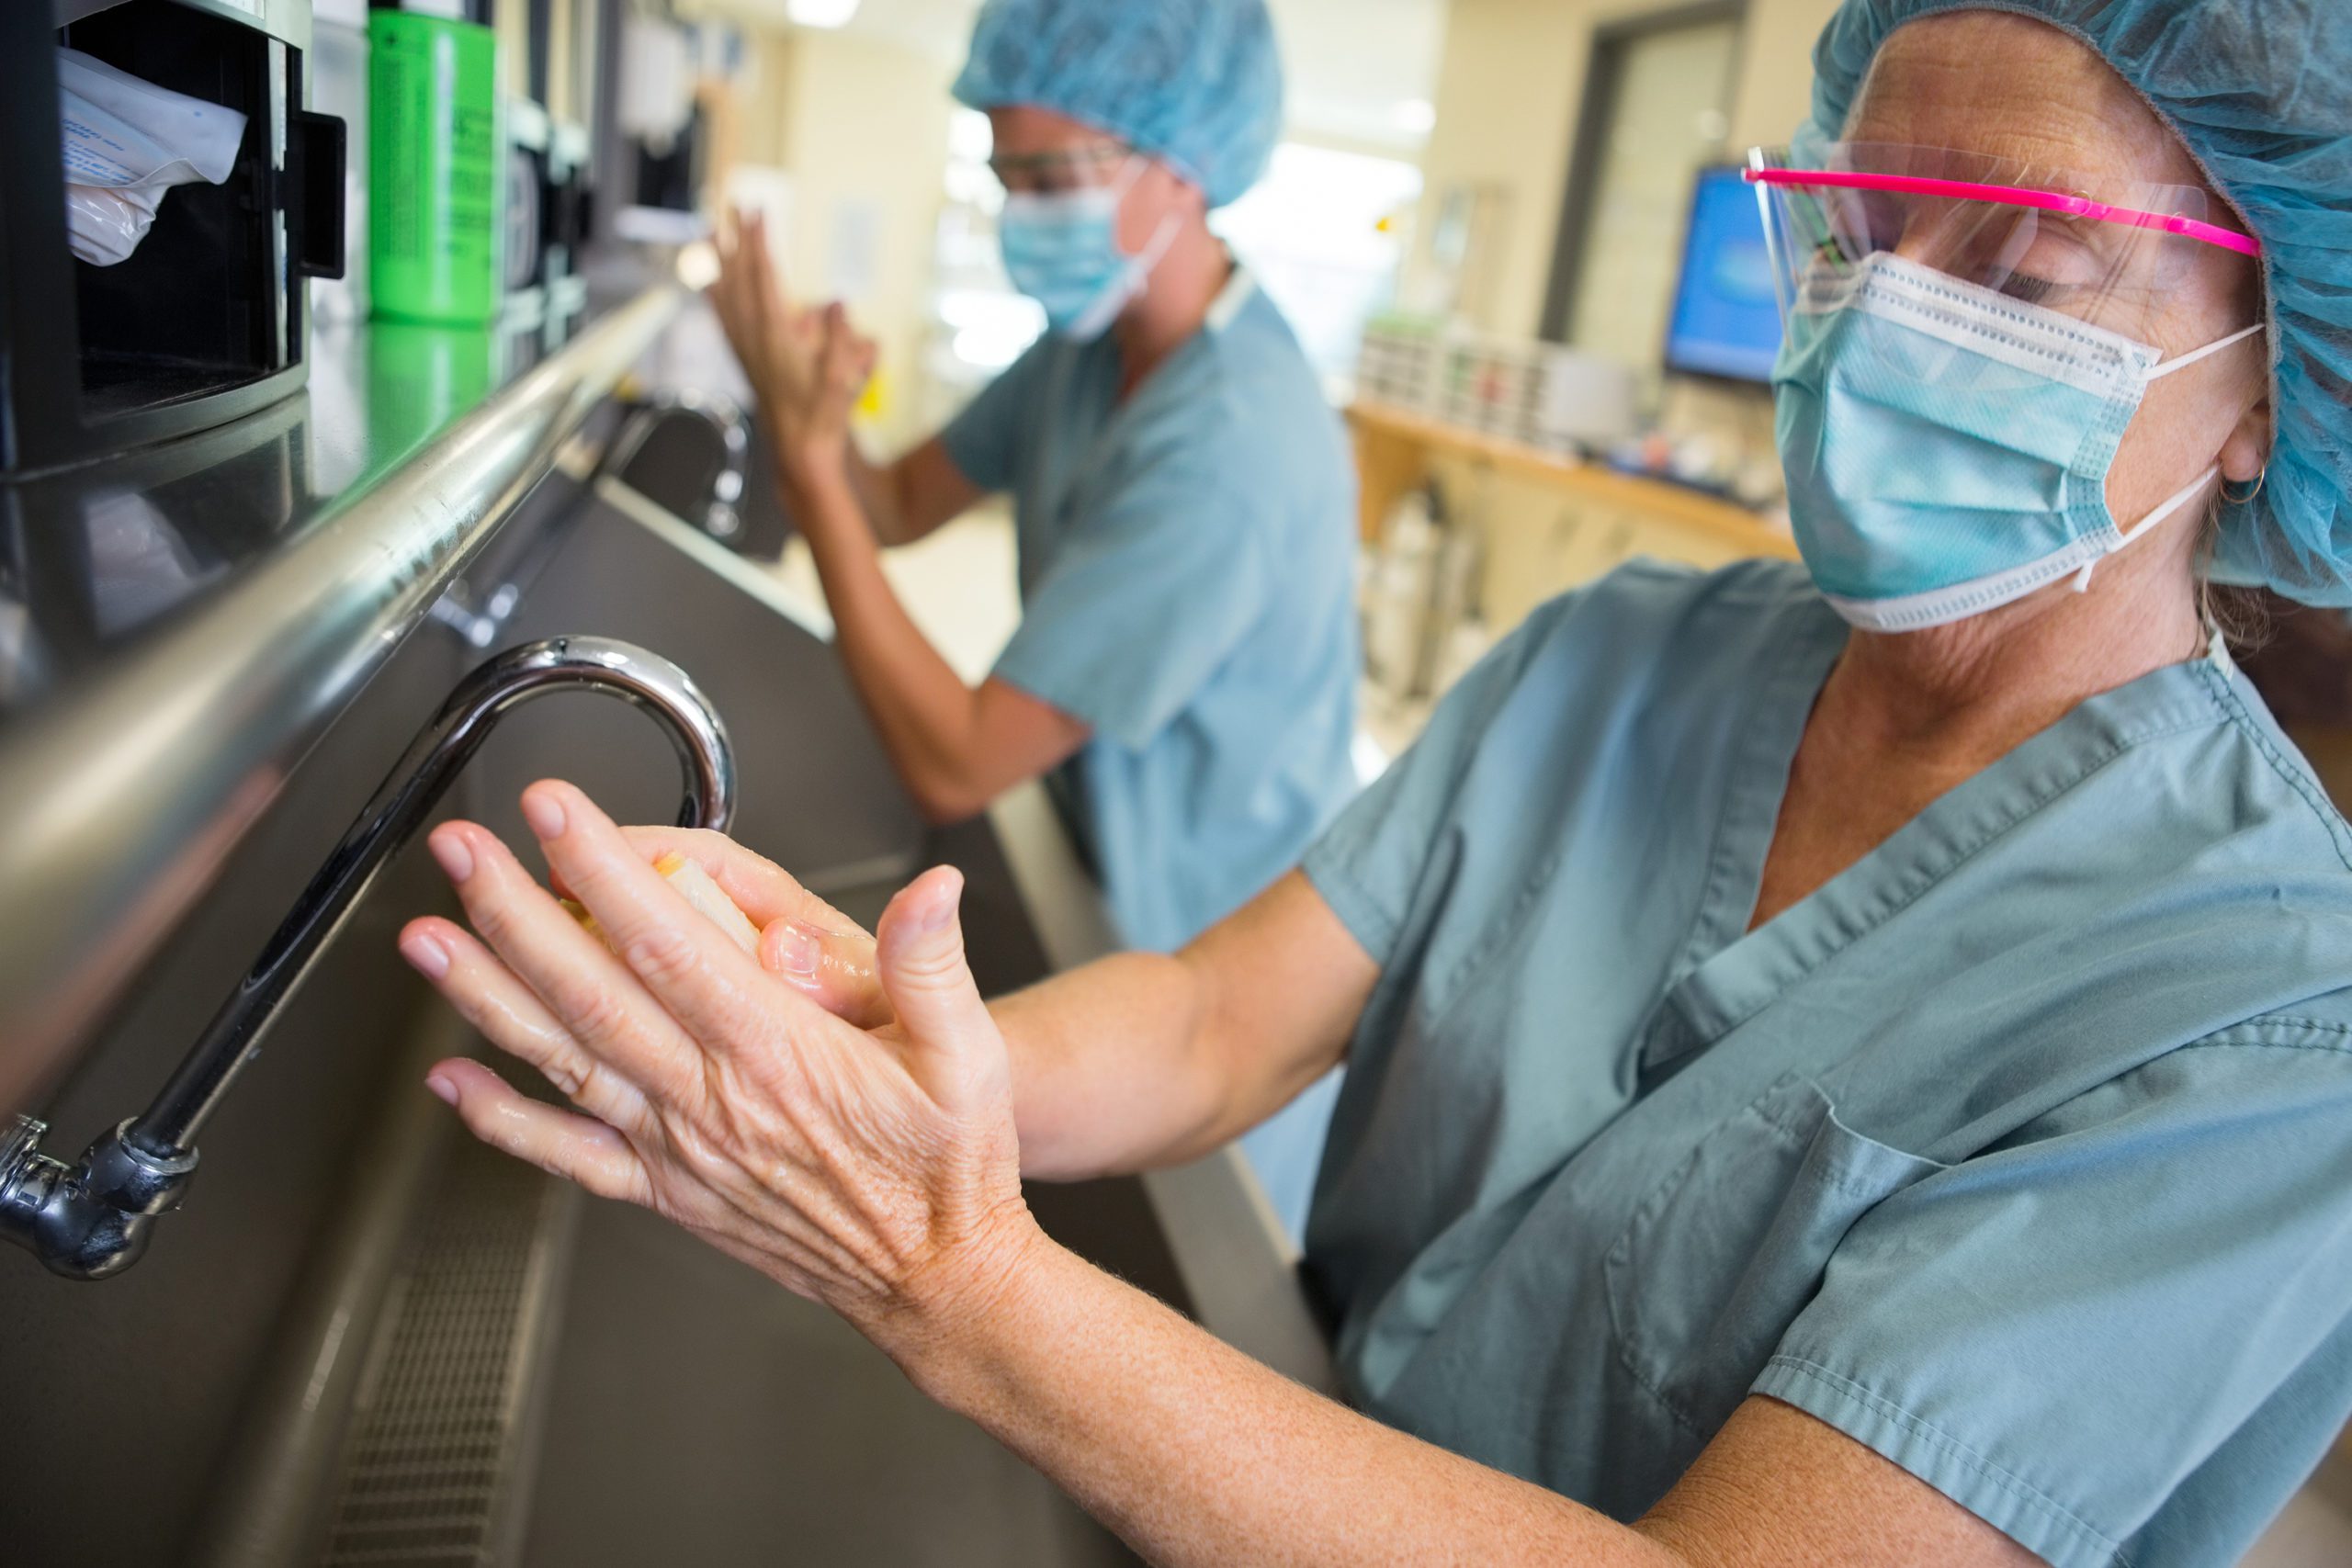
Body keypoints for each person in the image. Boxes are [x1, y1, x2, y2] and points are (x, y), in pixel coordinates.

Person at [401, 1, 2352, 1562]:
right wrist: (890, 1038)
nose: (1885, 331)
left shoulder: (2261, 1014)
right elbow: (1212, 1009)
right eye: (1853, 242)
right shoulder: (1621, 653)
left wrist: (952, 1272)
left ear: (2276, 371)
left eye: (2022, 269)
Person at [705, 0, 1356, 1231]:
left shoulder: (1231, 443)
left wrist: (805, 470)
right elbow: (896, 502)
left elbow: (957, 758)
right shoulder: (1090, 350)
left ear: (1182, 166)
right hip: (1098, 909)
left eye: (1052, 177)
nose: (1024, 218)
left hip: (1201, 990)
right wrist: (806, 410)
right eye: (1007, 179)